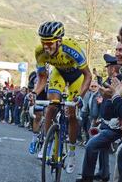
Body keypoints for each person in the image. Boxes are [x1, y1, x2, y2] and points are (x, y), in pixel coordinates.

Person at [30, 21, 92, 174]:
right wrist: (34, 93)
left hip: (77, 78)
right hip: (59, 74)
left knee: (71, 115)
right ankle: (46, 142)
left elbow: (88, 76)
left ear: (59, 41)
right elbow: (42, 78)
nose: (46, 47)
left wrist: (80, 97)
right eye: (43, 42)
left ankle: (71, 153)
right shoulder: (40, 52)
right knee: (52, 106)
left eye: (49, 43)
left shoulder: (72, 49)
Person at [76, 52, 122, 182]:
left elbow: (117, 103)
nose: (106, 69)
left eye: (108, 67)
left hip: (115, 124)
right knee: (103, 148)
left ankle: (87, 178)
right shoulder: (108, 82)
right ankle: (104, 174)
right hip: (105, 121)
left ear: (113, 68)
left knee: (91, 145)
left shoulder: (120, 81)